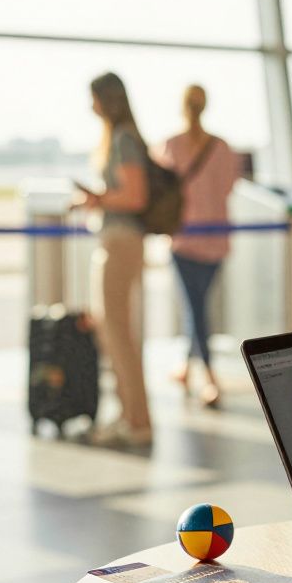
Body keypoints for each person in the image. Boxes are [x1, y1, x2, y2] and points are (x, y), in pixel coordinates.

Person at [72, 72, 152, 447]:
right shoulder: (123, 139)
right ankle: (129, 414)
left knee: (118, 333)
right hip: (118, 240)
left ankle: (135, 419)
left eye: (94, 98)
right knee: (115, 331)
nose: (90, 106)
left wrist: (97, 199)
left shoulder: (123, 140)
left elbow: (134, 198)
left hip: (120, 242)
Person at [159, 84, 240, 408]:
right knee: (197, 305)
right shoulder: (222, 148)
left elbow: (161, 189)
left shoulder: (171, 145)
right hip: (216, 240)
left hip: (183, 239)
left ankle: (208, 376)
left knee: (195, 308)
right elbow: (229, 187)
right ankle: (187, 366)